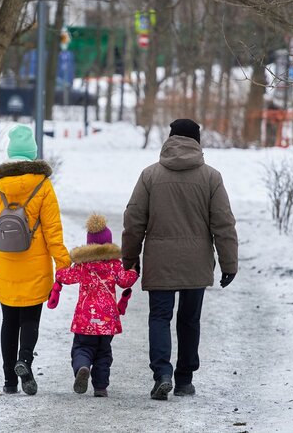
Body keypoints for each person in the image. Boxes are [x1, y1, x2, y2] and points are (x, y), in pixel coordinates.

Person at [122, 118, 239, 401]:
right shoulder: (211, 177)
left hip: (160, 261)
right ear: (197, 142)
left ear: (170, 140)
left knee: (160, 317)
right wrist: (228, 264)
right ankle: (184, 379)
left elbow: (134, 220)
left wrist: (130, 257)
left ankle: (162, 374)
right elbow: (223, 224)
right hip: (196, 261)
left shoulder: (150, 176)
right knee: (189, 319)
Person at [0, 125, 71, 395]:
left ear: (11, 153)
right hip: (36, 263)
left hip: (4, 263)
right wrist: (63, 263)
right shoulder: (42, 184)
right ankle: (24, 360)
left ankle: (8, 382)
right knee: (30, 319)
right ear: (32, 153)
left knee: (9, 321)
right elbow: (53, 230)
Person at [51, 214, 138, 398]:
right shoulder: (114, 265)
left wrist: (60, 269)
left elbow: (65, 276)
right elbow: (125, 281)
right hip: (107, 321)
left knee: (82, 348)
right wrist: (134, 271)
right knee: (103, 353)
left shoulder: (82, 266)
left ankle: (82, 367)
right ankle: (100, 387)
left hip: (85, 319)